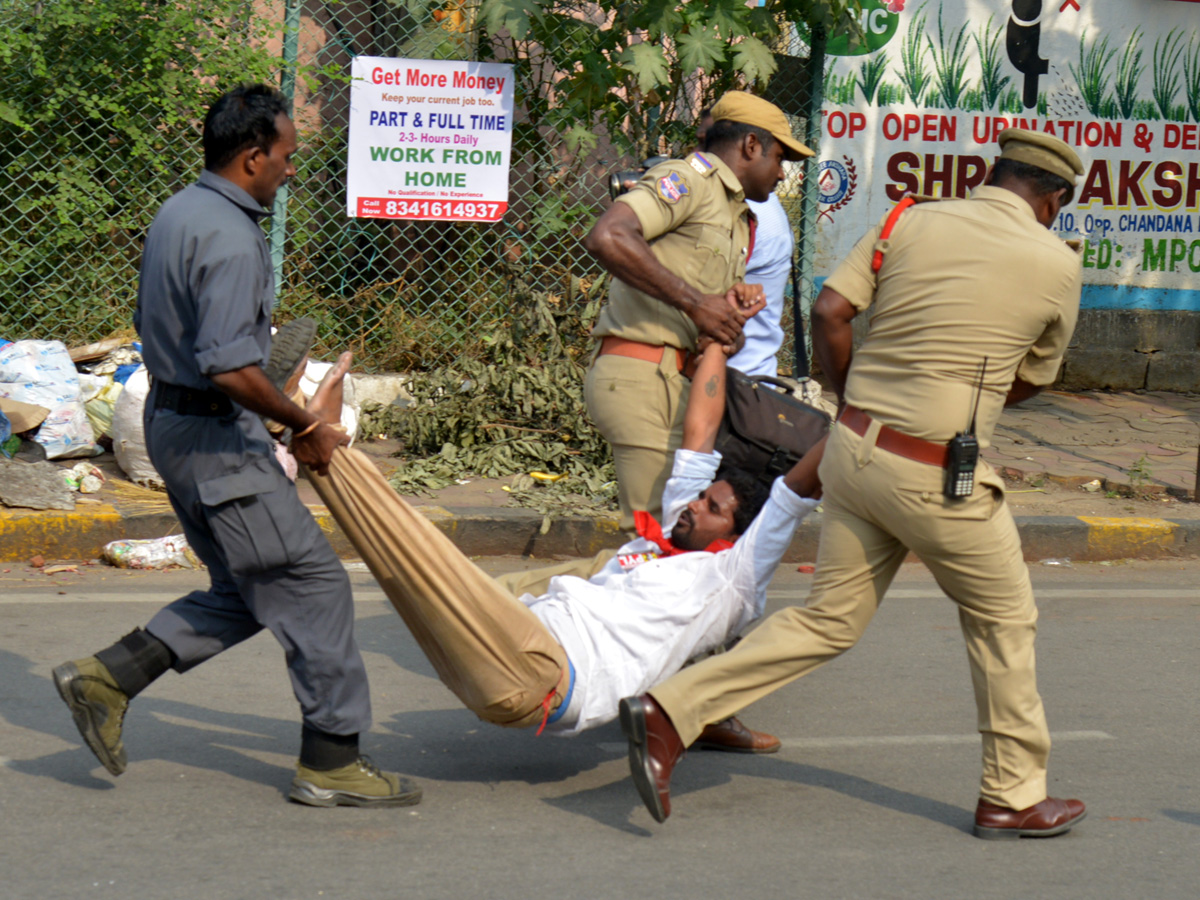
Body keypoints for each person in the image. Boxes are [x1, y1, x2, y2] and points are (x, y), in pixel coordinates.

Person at [618, 128, 1090, 841]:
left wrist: (852, 403)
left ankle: (671, 708)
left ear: (993, 176)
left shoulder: (908, 218)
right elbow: (1030, 378)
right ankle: (1011, 795)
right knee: (1003, 621)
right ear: (1053, 199)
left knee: (828, 621)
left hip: (853, 453)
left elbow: (830, 311)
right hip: (936, 475)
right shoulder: (1055, 262)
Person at [52, 84, 420, 809]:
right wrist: (304, 425)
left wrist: (279, 413)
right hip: (218, 439)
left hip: (178, 424)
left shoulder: (181, 212)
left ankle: (107, 678)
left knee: (250, 587)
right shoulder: (229, 235)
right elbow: (228, 364)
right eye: (285, 157)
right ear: (252, 158)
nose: (291, 171)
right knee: (312, 585)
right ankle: (331, 761)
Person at [295, 341, 824, 738]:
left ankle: (326, 441)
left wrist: (869, 409)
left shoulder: (732, 579)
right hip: (509, 646)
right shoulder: (671, 530)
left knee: (420, 549)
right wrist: (716, 339)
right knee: (398, 569)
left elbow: (796, 491)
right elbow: (700, 433)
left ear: (737, 534)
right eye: (701, 496)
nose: (694, 505)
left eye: (712, 509)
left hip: (540, 672)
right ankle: (307, 437)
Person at [583, 91, 814, 530]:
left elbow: (709, 326)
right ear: (750, 146)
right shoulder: (687, 180)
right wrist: (695, 303)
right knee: (659, 541)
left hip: (678, 383)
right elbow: (608, 236)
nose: (782, 174)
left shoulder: (736, 213)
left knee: (673, 544)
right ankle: (513, 598)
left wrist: (732, 320)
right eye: (779, 157)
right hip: (646, 378)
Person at [696, 108, 794, 378]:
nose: (698, 155)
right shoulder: (719, 199)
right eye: (703, 142)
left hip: (736, 385)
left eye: (708, 145)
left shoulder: (754, 212)